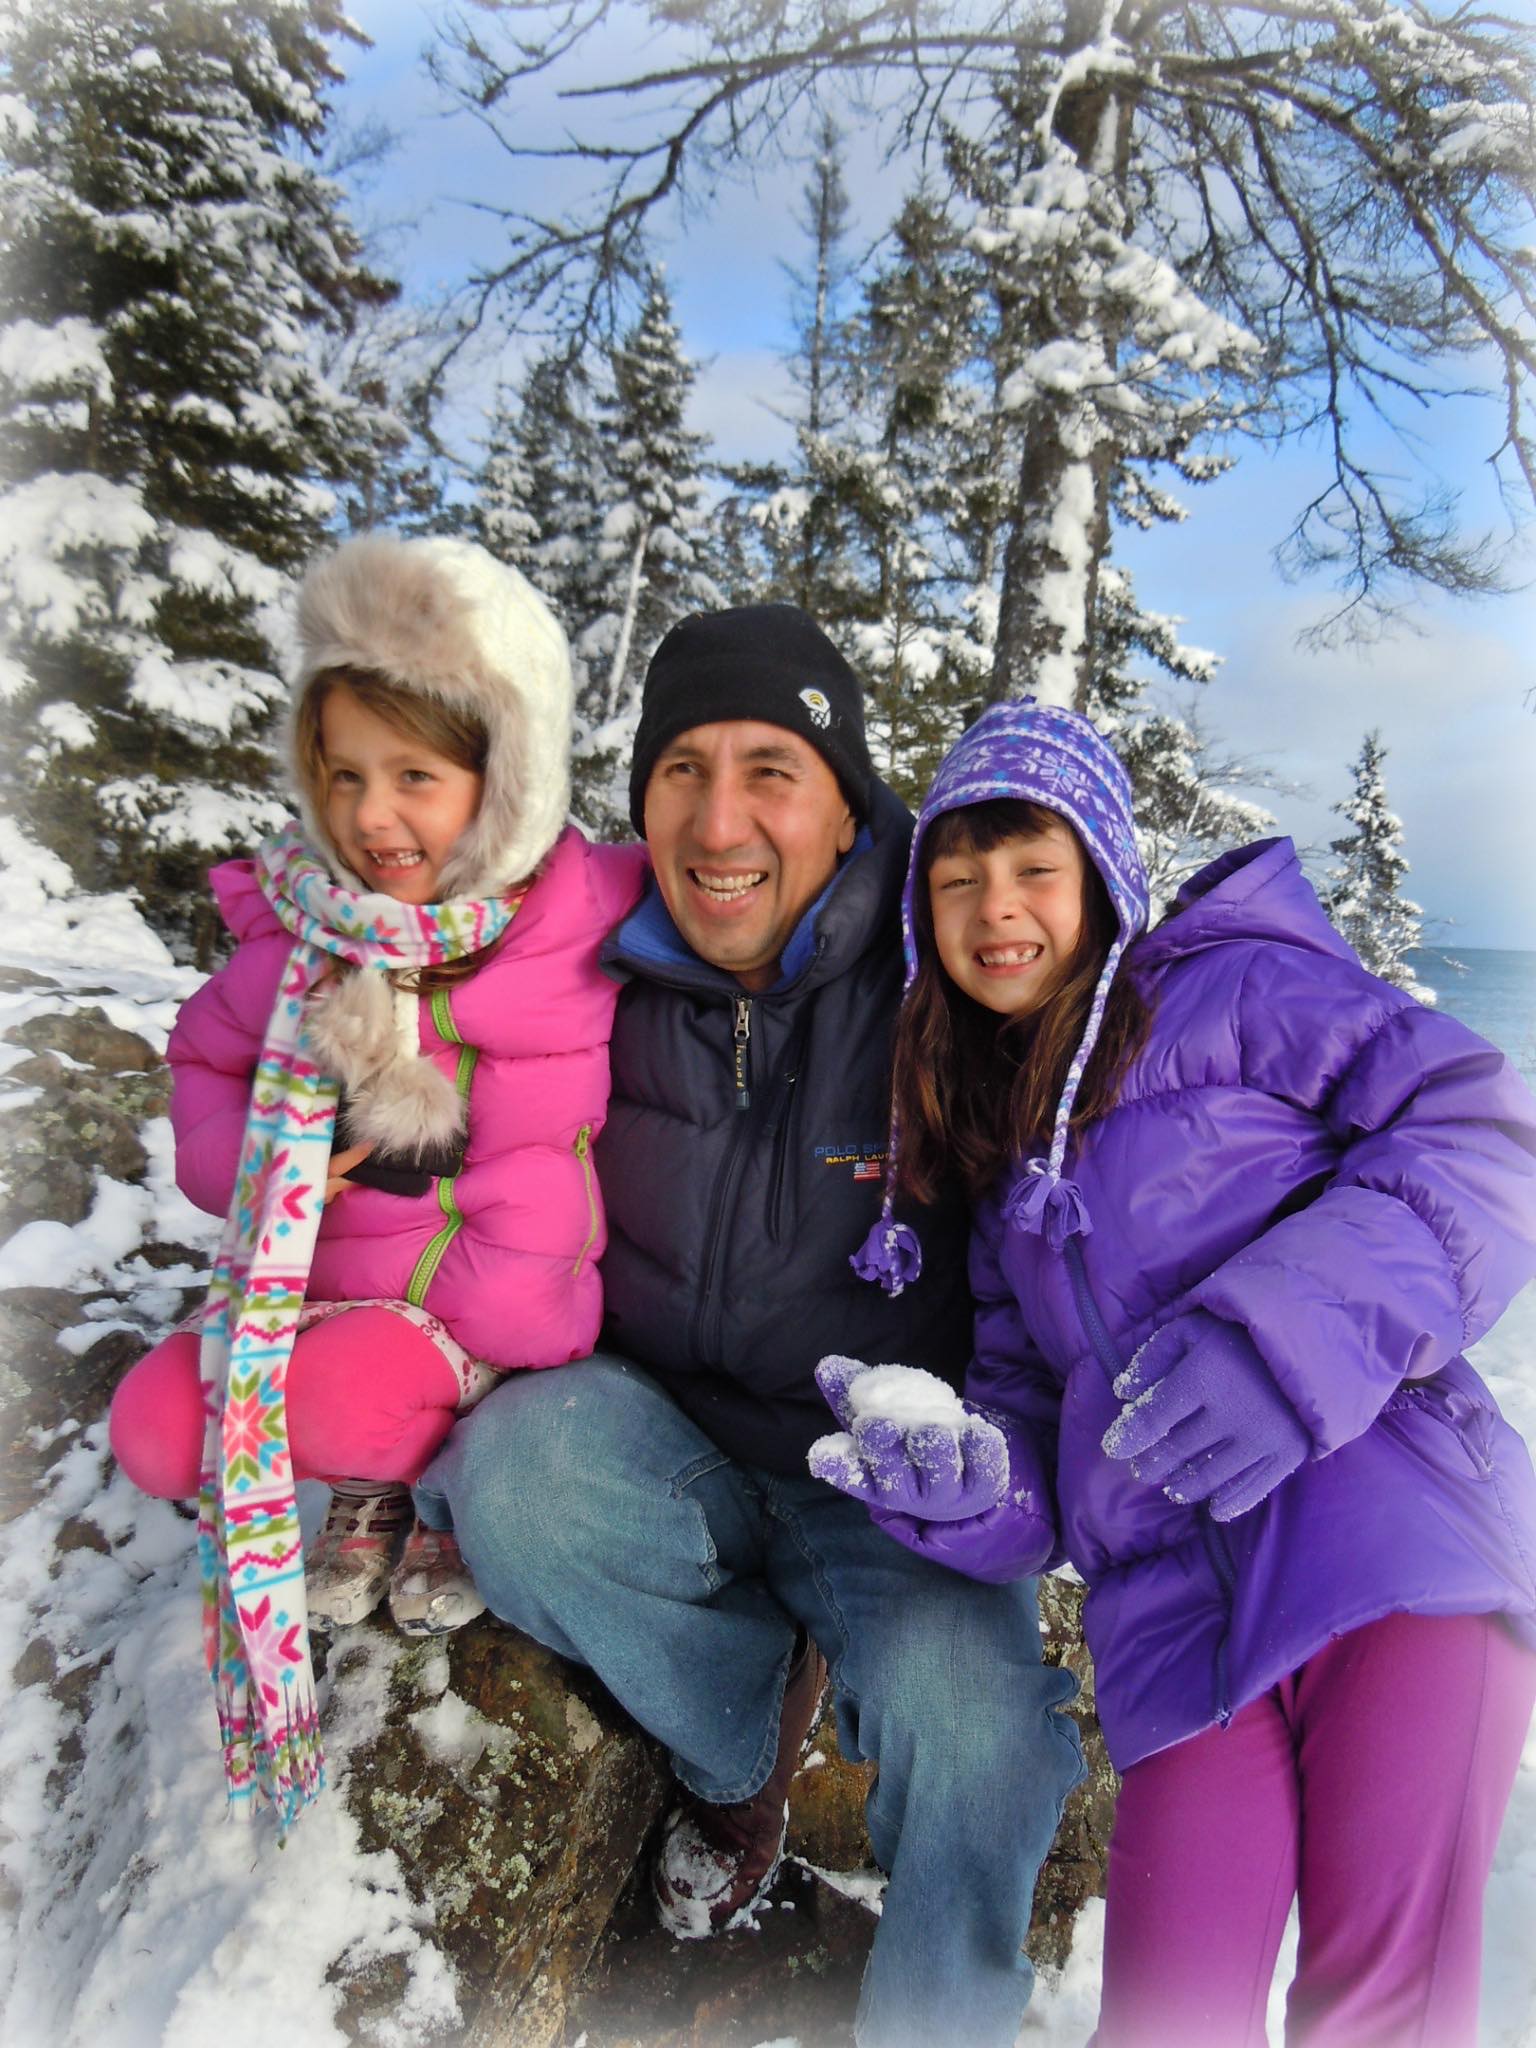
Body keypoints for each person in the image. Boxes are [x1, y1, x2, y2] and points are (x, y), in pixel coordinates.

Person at [813, 695, 1536, 2046]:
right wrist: (983, 1496)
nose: (996, 911)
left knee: (1378, 2010)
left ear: (1102, 874)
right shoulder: (998, 1142)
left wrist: (1285, 1344)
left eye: (1035, 868)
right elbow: (1036, 1408)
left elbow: (1486, 1133)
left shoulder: (1238, 991)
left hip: (1386, 1545)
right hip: (1177, 1634)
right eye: (958, 882)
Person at [417, 607, 1086, 2048]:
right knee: (511, 1480)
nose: (719, 820)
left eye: (771, 768)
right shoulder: (582, 954)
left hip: (885, 1480)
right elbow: (403, 941)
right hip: (654, 1424)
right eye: (682, 769)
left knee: (983, 1749)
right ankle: (741, 1763)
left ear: (848, 797)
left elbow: (1130, 1024)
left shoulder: (945, 958)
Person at [109, 534, 643, 1827]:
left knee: (357, 1396)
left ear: (504, 780)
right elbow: (203, 1060)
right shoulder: (300, 939)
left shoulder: (583, 920)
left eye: (416, 776)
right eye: (343, 776)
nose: (371, 818)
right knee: (157, 1429)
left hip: (484, 1324)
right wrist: (266, 1163)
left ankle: (427, 1477)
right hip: (312, 1291)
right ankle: (362, 1469)